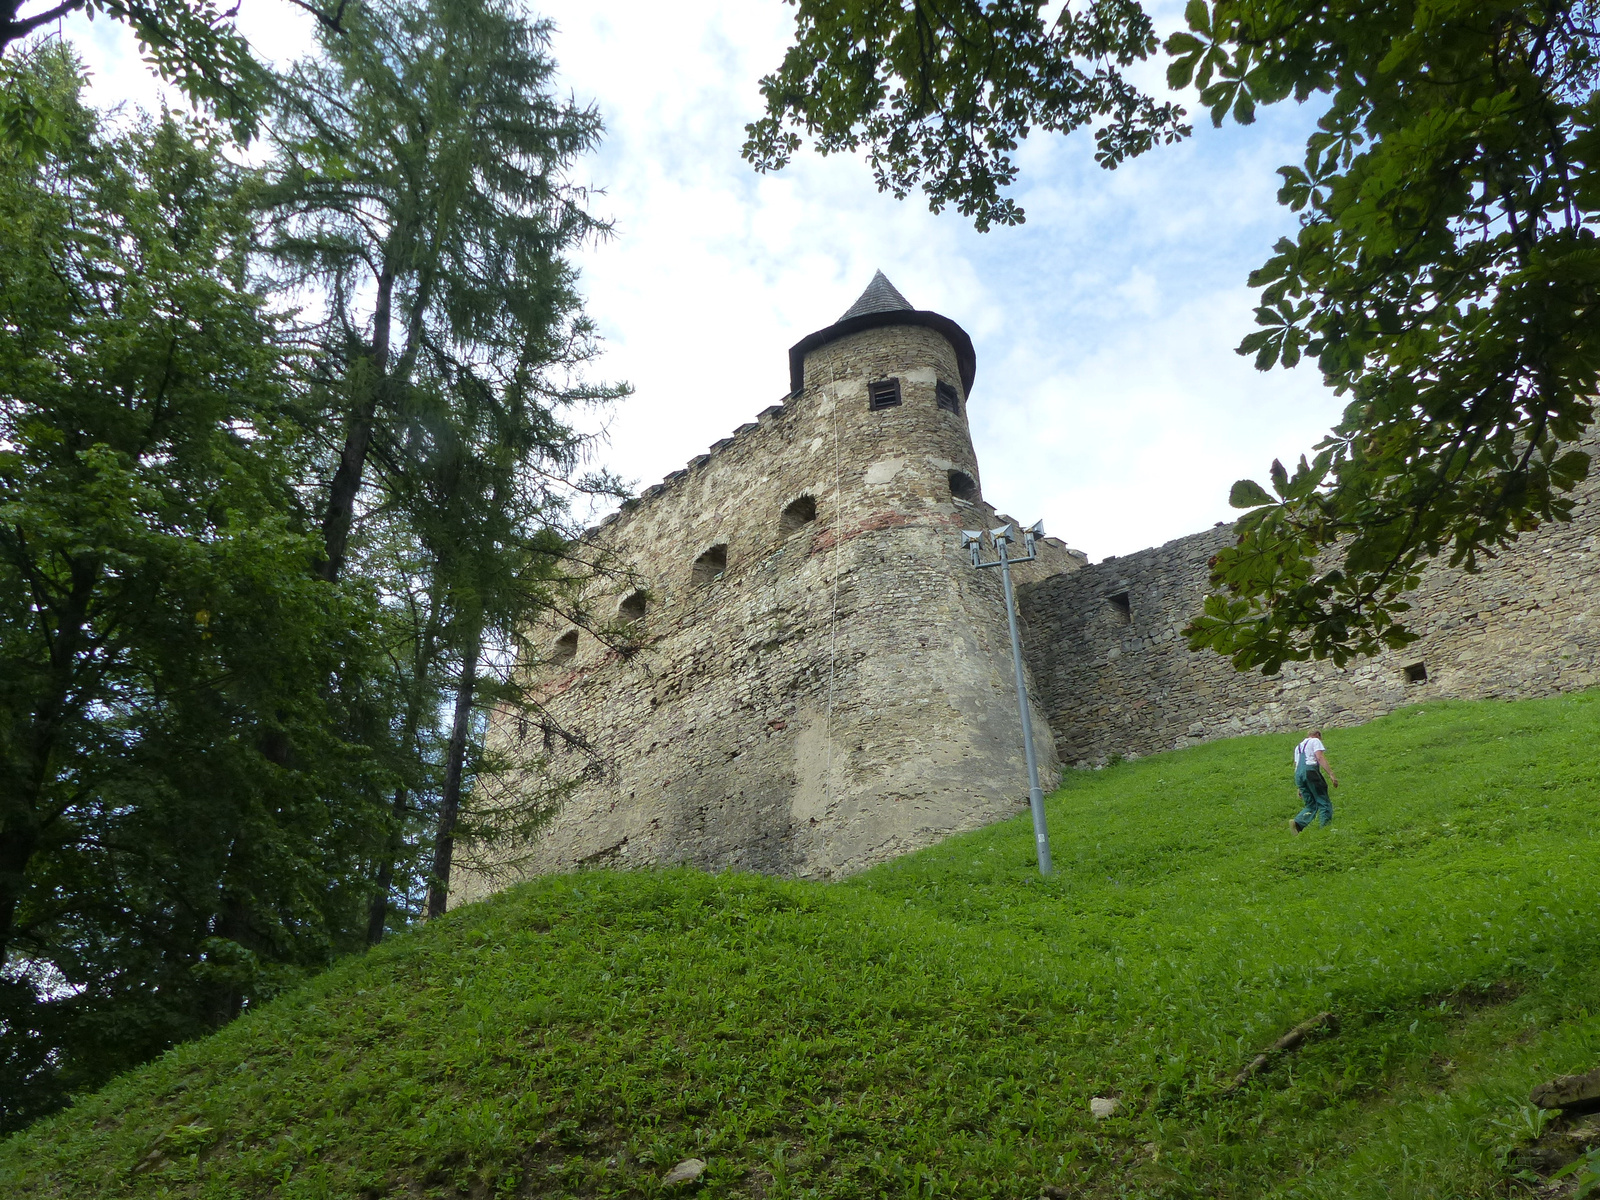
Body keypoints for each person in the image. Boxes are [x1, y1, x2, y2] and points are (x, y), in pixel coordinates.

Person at [1291, 729, 1339, 833]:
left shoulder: (1298, 747)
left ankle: (1298, 822)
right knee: (1323, 801)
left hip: (1299, 775)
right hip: (1310, 772)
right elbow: (1319, 757)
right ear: (1317, 735)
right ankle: (1325, 828)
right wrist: (1331, 774)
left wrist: (1299, 787)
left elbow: (1296, 765)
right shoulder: (1315, 741)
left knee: (1311, 804)